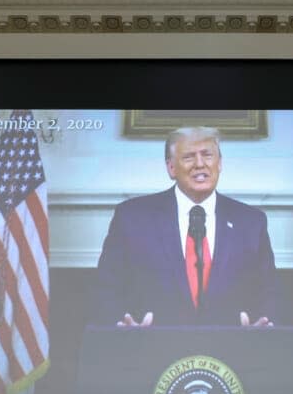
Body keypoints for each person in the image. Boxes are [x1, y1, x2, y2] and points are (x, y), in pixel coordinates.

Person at [92, 126, 279, 327]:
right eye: (189, 157)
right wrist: (122, 326)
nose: (200, 164)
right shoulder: (132, 217)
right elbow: (106, 288)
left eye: (207, 155)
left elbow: (270, 291)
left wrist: (263, 325)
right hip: (151, 349)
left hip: (231, 350)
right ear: (171, 168)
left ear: (220, 163)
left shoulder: (250, 221)